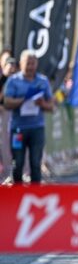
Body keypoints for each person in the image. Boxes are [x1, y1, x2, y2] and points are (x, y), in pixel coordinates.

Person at [2, 50, 54, 185]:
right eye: (27, 63)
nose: (30, 66)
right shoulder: (13, 81)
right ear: (21, 63)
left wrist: (43, 103)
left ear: (36, 64)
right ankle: (17, 194)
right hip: (18, 129)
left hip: (37, 128)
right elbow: (7, 102)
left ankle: (35, 193)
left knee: (35, 163)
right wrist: (23, 100)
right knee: (17, 163)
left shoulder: (42, 81)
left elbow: (51, 106)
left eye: (33, 63)